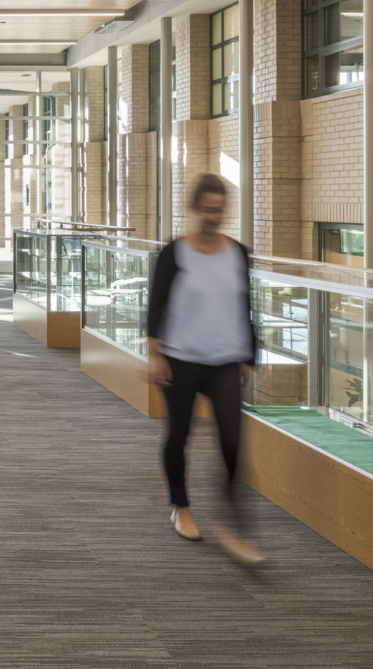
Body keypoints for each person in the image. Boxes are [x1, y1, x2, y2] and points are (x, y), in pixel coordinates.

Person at [145, 173, 263, 565]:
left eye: (220, 210)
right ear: (196, 209)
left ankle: (234, 524)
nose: (214, 216)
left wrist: (247, 354)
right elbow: (156, 305)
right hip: (180, 358)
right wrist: (155, 353)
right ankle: (181, 506)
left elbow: (244, 305)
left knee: (232, 442)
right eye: (208, 209)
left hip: (225, 360)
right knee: (180, 435)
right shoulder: (174, 252)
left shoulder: (237, 253)